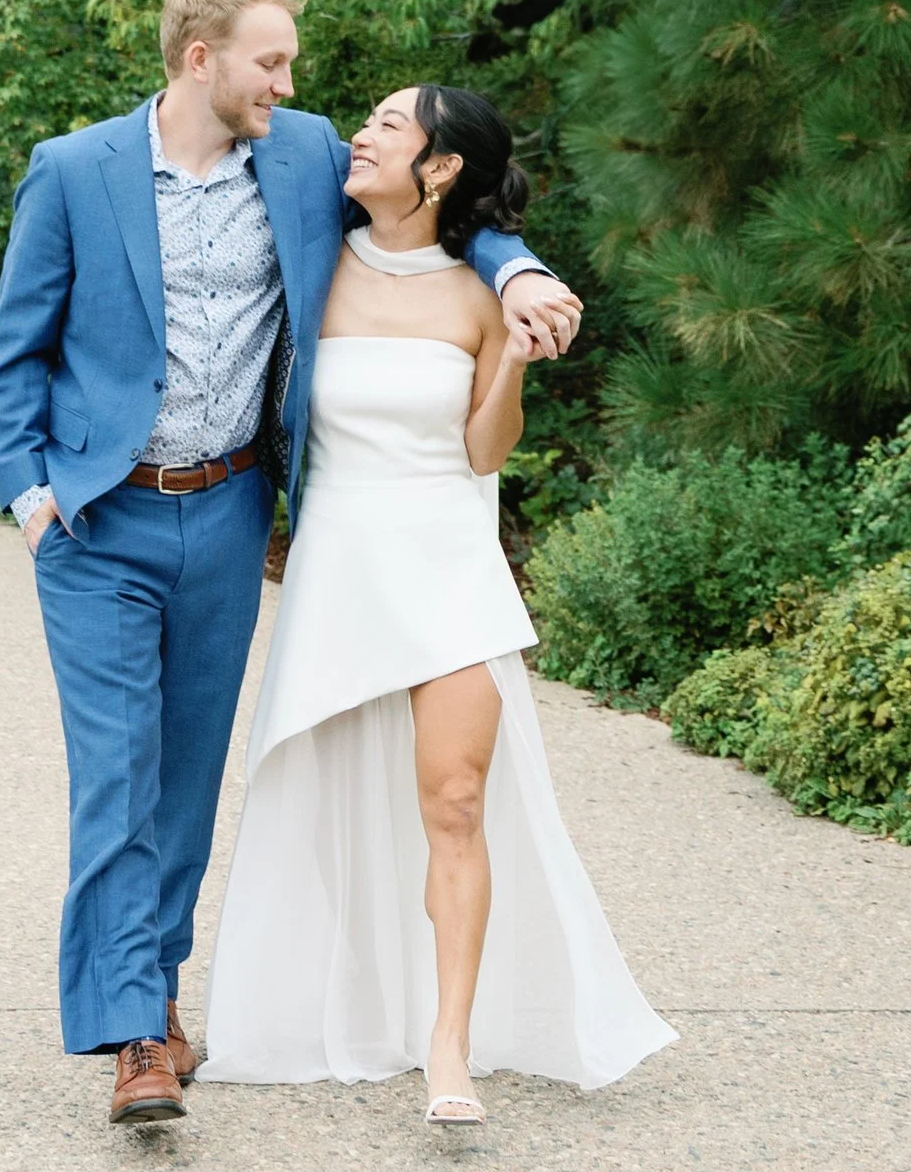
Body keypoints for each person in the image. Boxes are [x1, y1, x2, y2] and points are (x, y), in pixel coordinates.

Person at [0, 0, 584, 1125]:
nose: (291, 83)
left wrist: (525, 272)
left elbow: (452, 220)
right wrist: (30, 496)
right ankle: (137, 1034)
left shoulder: (302, 155)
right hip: (98, 517)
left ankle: (152, 993)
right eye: (271, 60)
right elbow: (15, 352)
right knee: (116, 772)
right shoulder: (72, 170)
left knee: (189, 780)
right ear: (199, 58)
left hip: (228, 512)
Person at [198, 84, 676, 1120]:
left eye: (386, 124)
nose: (358, 134)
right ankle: (321, 1001)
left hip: (449, 557)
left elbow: (481, 451)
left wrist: (508, 353)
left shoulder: (481, 289)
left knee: (454, 801)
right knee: (315, 793)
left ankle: (448, 1043)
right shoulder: (313, 270)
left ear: (442, 164)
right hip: (338, 559)